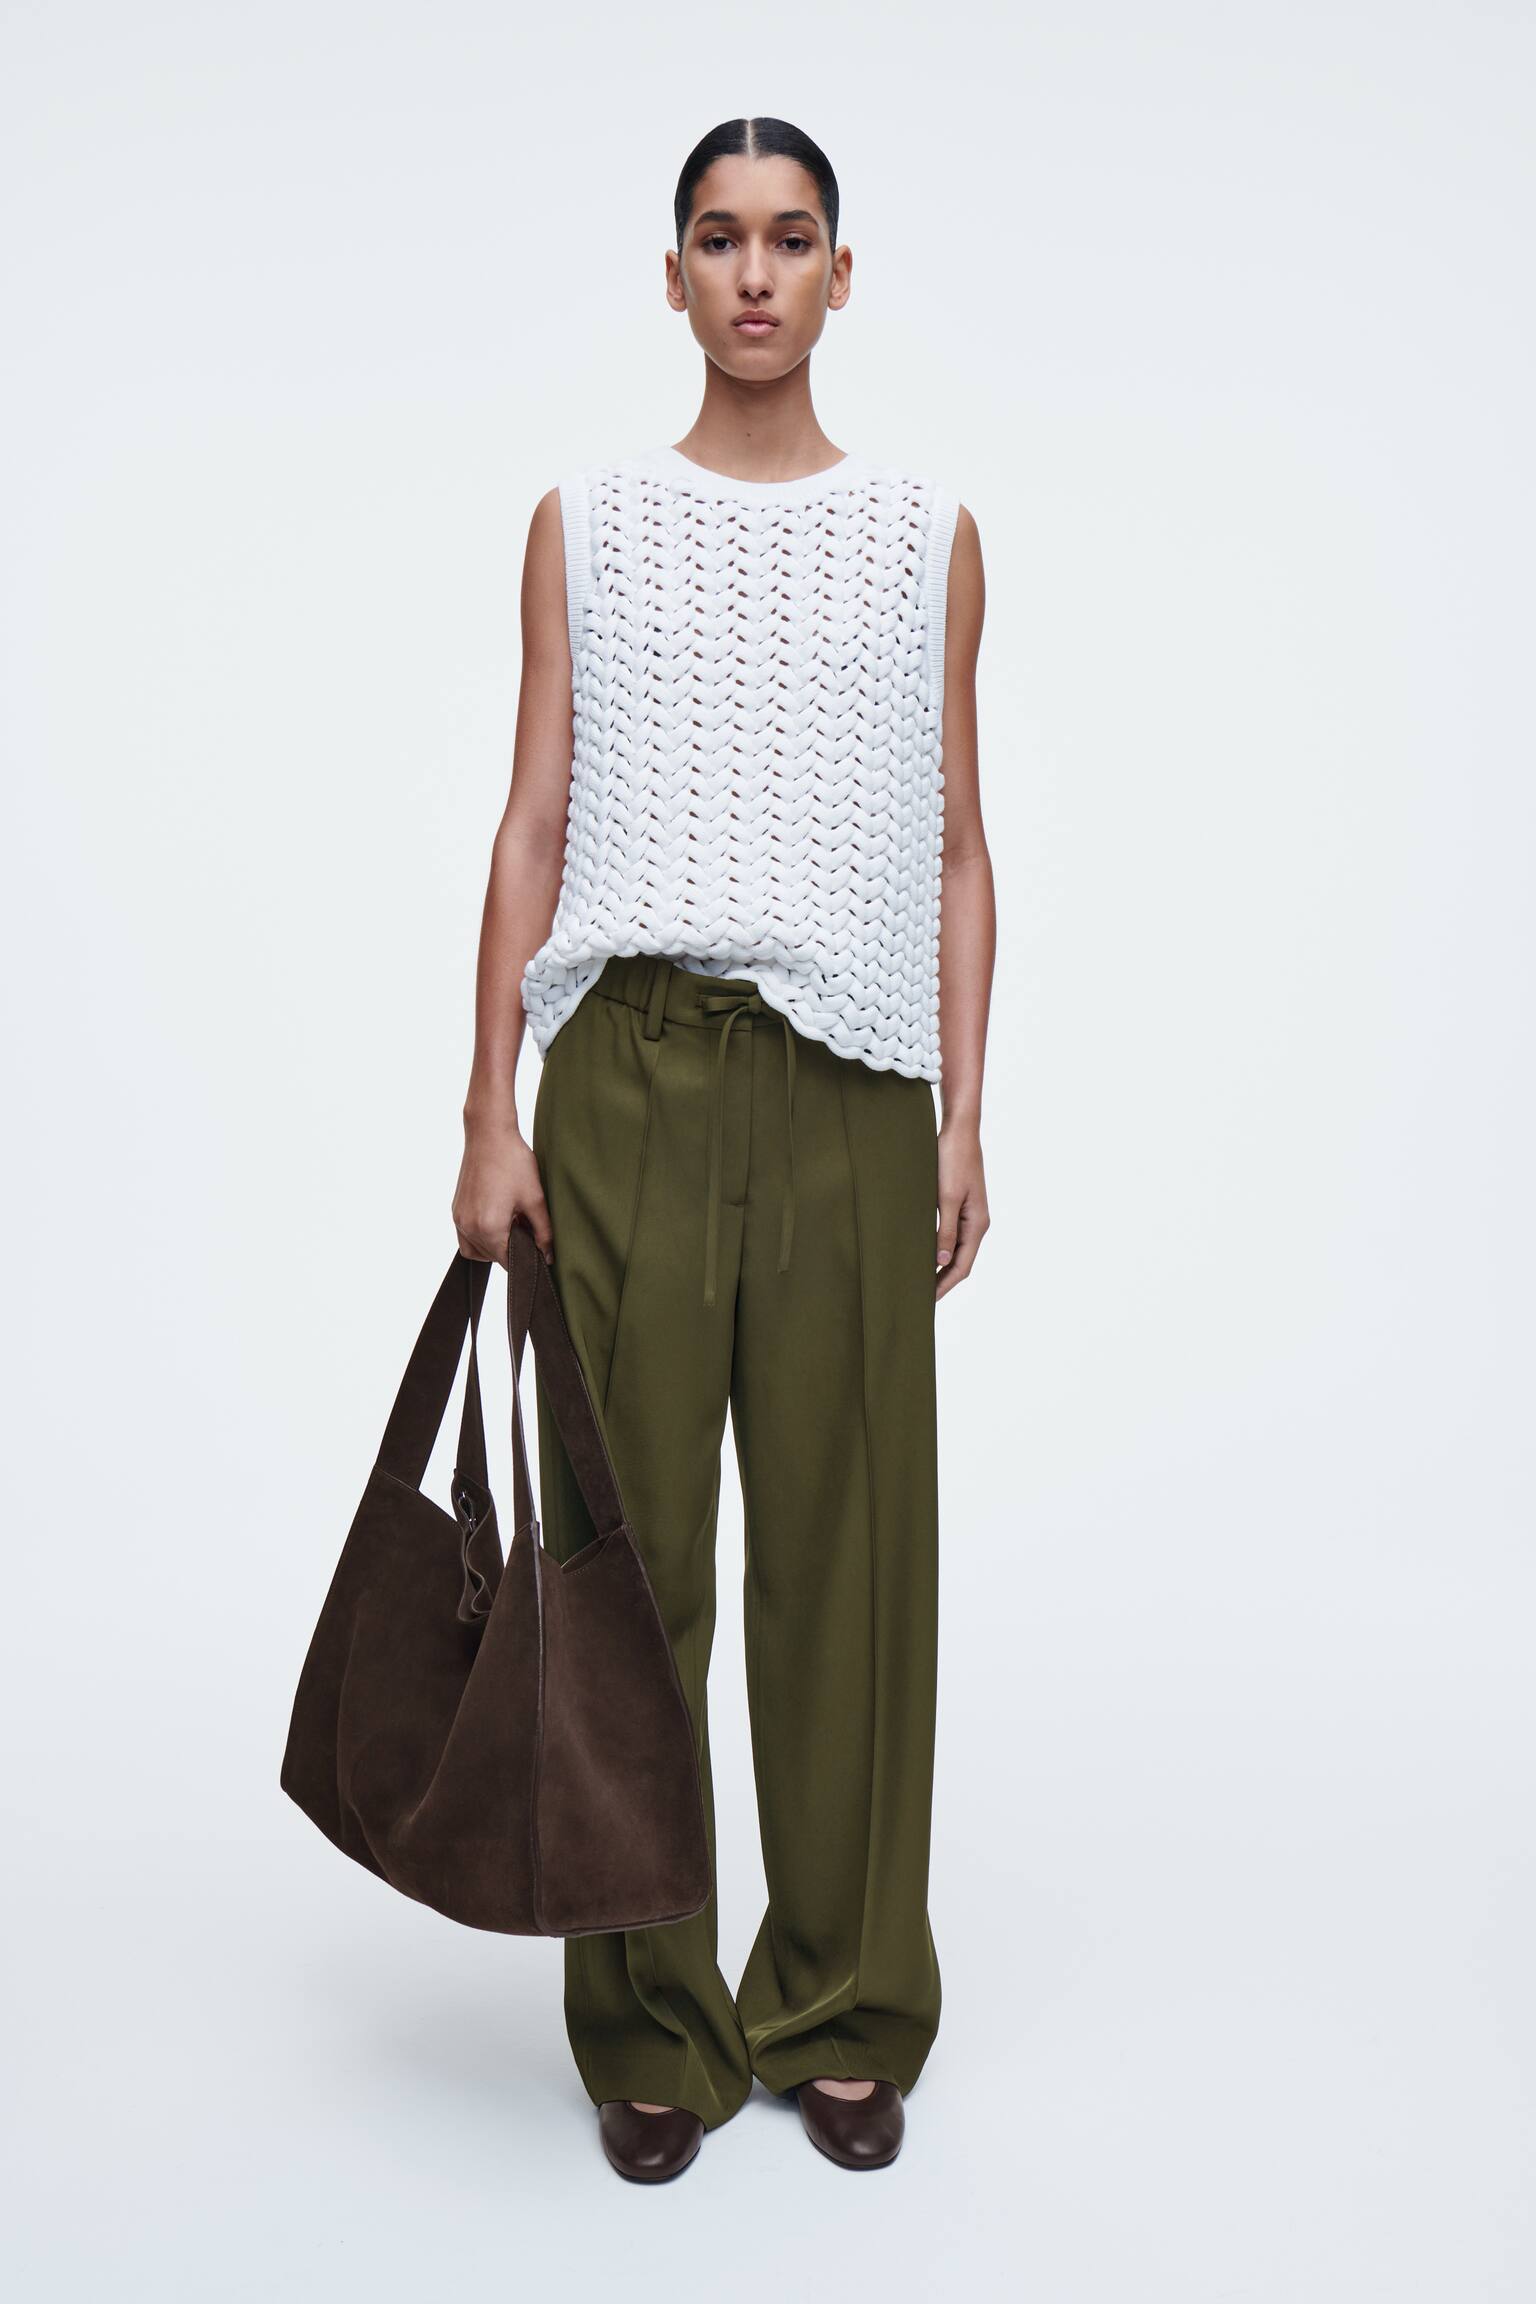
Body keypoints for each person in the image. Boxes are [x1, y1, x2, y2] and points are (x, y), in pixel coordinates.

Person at [452, 115, 993, 2182]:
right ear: (670, 274)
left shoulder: (926, 532)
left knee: (850, 1565)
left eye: (790, 239)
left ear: (842, 275)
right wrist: (487, 1101)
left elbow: (954, 847)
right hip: (633, 1076)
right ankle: (652, 2023)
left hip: (851, 1089)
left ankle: (842, 2004)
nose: (753, 274)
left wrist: (964, 1106)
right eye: (717, 238)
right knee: (633, 1564)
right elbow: (532, 819)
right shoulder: (585, 523)